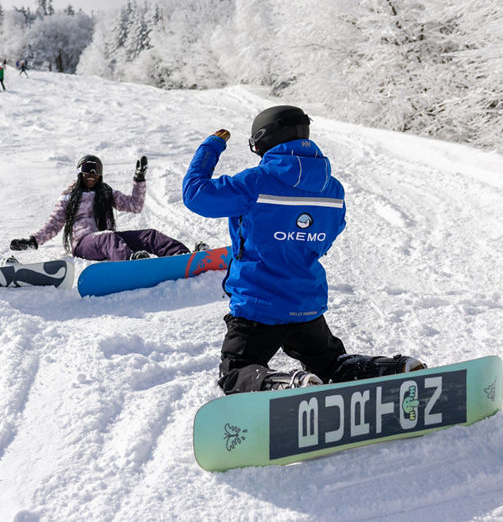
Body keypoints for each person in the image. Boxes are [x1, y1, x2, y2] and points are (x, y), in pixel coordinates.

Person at [182, 105, 426, 394]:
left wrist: (211, 146)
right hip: (306, 303)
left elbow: (195, 195)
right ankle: (395, 369)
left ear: (262, 140)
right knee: (331, 364)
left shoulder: (255, 183)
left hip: (257, 305)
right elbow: (327, 237)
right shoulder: (332, 188)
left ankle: (286, 385)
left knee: (236, 371)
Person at [10, 155, 193, 261]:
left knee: (149, 235)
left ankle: (182, 256)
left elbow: (134, 206)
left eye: (96, 170)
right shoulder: (68, 197)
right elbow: (54, 224)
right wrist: (33, 241)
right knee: (107, 237)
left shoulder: (106, 192)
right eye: (87, 169)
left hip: (109, 241)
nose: (91, 174)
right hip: (84, 244)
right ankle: (131, 263)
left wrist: (138, 180)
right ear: (79, 173)